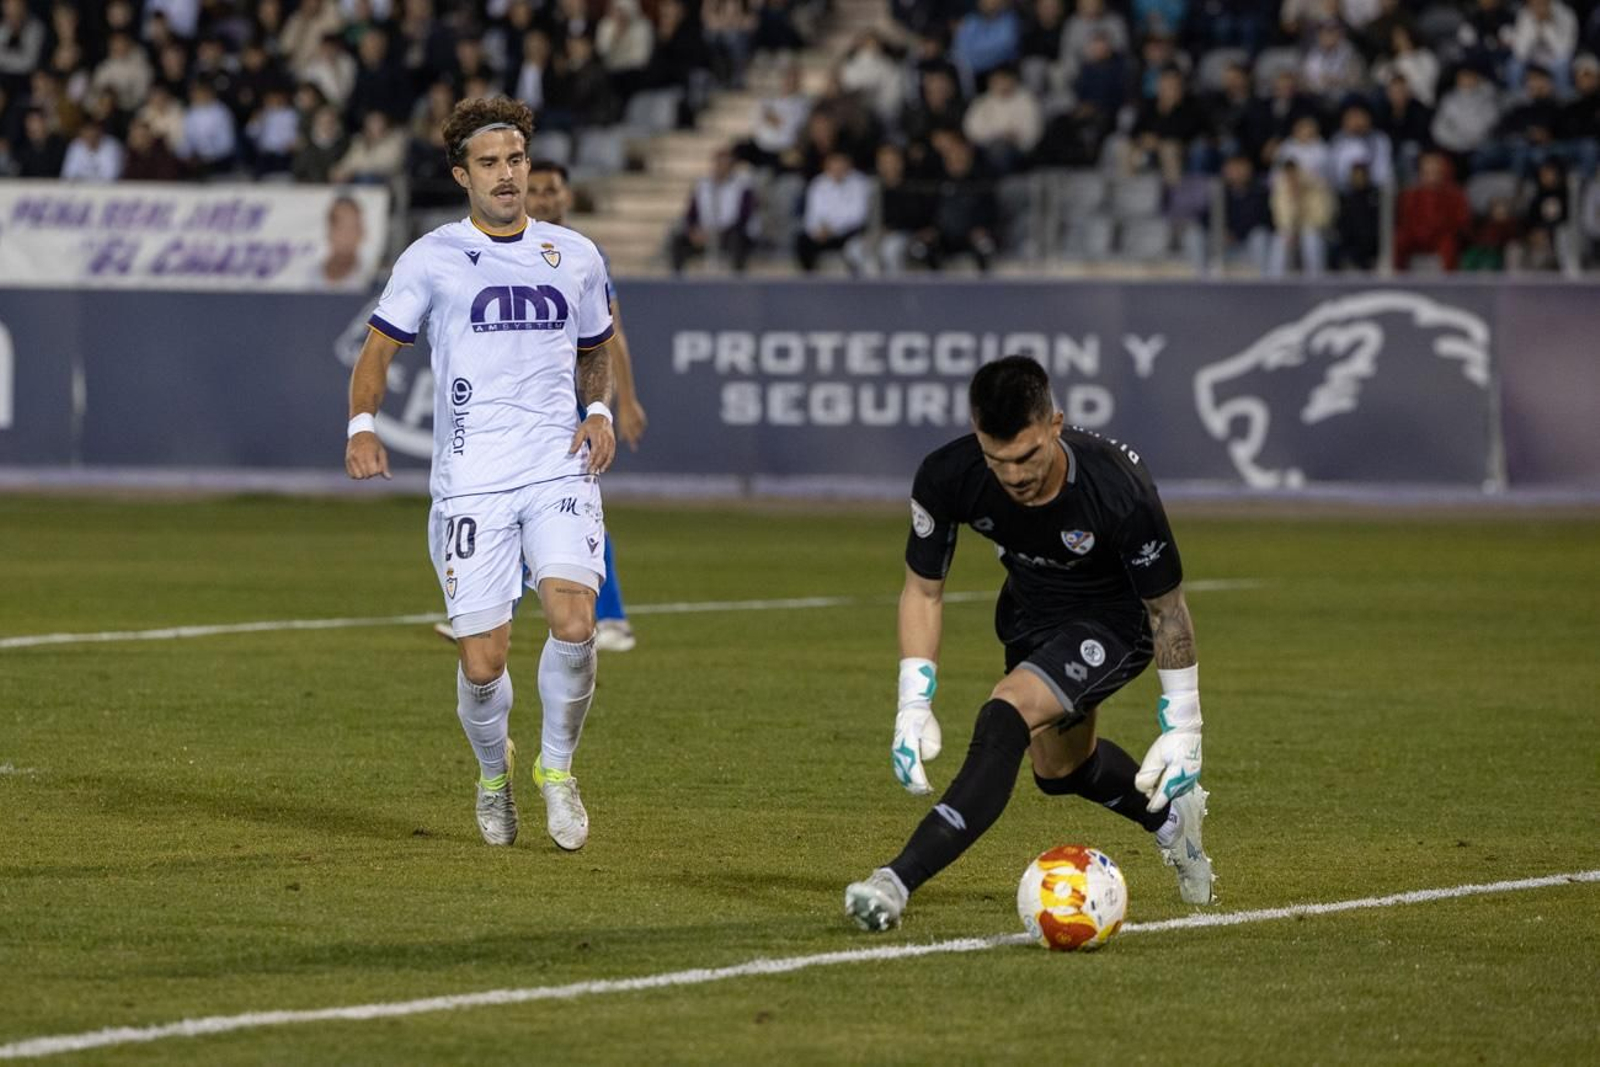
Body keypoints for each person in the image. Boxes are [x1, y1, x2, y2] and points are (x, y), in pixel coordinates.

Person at [844, 358, 1213, 932]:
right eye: (998, 460)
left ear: (1056, 425)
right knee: (1059, 770)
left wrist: (1184, 723)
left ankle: (894, 881)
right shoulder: (948, 475)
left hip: (1113, 624)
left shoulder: (1118, 487)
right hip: (1029, 618)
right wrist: (913, 701)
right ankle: (1170, 820)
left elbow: (1168, 611)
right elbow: (922, 590)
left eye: (1027, 457)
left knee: (1006, 713)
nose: (1013, 475)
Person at [345, 97, 617, 853]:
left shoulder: (575, 254)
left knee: (574, 620)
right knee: (483, 658)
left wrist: (598, 412)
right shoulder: (431, 257)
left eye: (517, 161)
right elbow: (376, 352)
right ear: (462, 174)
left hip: (556, 468)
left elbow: (595, 345)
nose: (507, 176)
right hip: (470, 480)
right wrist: (361, 426)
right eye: (491, 165)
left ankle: (556, 772)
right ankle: (493, 776)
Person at [433, 160, 647, 652]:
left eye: (556, 190)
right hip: (515, 410)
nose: (547, 198)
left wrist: (622, 403)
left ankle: (611, 616)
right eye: (542, 190)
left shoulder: (582, 255)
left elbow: (609, 338)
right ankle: (489, 610)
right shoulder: (505, 251)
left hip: (571, 406)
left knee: (576, 510)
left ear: (568, 198)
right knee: (512, 503)